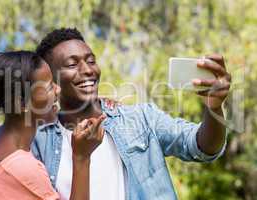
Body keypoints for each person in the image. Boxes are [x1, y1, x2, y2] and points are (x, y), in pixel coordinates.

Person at [32, 28, 231, 200]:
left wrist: (213, 109)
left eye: (91, 61)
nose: (87, 70)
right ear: (50, 78)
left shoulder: (141, 119)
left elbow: (202, 147)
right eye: (72, 64)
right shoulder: (38, 141)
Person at [0, 51, 105, 200]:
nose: (58, 89)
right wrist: (81, 157)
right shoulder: (25, 168)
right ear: (22, 103)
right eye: (49, 87)